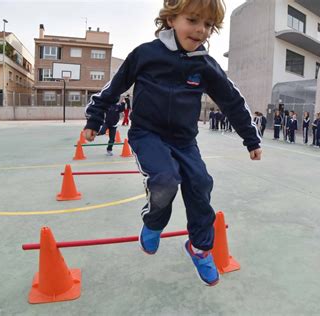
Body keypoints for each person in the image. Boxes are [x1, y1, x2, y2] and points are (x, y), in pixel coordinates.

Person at [83, 0, 262, 287]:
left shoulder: (205, 66)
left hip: (184, 140)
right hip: (147, 134)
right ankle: (153, 223)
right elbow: (113, 87)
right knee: (165, 180)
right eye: (193, 20)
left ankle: (200, 247)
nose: (201, 30)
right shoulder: (145, 55)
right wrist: (94, 120)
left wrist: (250, 137)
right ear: (171, 20)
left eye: (208, 25)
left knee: (201, 183)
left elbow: (232, 101)